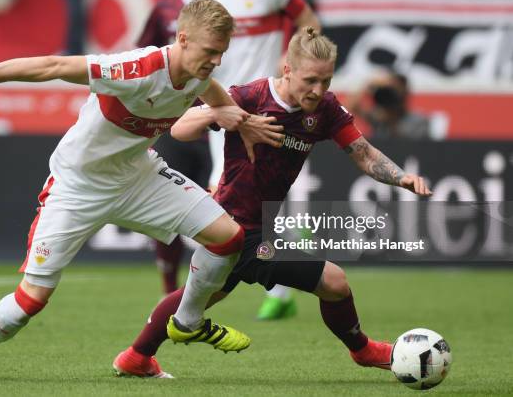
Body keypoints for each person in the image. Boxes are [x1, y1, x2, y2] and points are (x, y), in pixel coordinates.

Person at [0, 0, 286, 379]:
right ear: (183, 39)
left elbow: (212, 89)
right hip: (78, 187)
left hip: (138, 178)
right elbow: (54, 65)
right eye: (211, 52)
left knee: (228, 238)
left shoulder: (199, 71)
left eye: (221, 53)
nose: (216, 60)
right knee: (32, 298)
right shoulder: (134, 69)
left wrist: (242, 120)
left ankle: (187, 321)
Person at [112, 27, 432, 378]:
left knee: (201, 296)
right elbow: (180, 128)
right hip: (234, 226)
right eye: (311, 80)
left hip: (253, 227)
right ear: (288, 70)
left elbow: (364, 153)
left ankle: (136, 356)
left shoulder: (325, 110)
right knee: (334, 282)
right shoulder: (249, 96)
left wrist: (400, 177)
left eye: (326, 81)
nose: (318, 90)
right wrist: (223, 114)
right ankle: (363, 350)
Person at [182, 0, 321, 320]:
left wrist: (290, 60)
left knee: (227, 202)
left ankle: (204, 298)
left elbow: (309, 21)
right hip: (221, 107)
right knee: (235, 203)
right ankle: (283, 262)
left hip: (265, 106)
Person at [136, 0, 218, 295]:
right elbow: (142, 58)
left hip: (223, 124)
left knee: (222, 210)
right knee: (169, 214)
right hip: (177, 125)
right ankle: (169, 287)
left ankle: (209, 287)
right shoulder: (167, 8)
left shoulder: (240, 12)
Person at [348, 71, 433, 140]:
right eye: (390, 90)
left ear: (405, 92)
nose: (393, 95)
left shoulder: (419, 121)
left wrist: (391, 120)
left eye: (396, 90)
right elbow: (352, 107)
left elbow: (412, 147)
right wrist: (367, 85)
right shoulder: (378, 116)